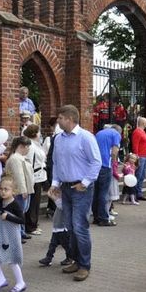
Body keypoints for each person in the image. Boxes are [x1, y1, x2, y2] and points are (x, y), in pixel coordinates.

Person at [48, 104, 101, 282]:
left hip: (81, 189)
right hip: (65, 187)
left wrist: (84, 183)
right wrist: (55, 183)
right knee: (70, 227)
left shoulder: (86, 137)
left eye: (60, 118)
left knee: (80, 227)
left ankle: (85, 265)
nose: (58, 120)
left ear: (69, 119)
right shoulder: (58, 139)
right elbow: (56, 163)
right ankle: (77, 261)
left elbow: (96, 162)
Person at [0, 175, 27, 292]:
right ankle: (1, 279)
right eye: (1, 189)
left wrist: (8, 217)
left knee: (12, 261)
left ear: (13, 191)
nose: (3, 192)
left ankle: (21, 282)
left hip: (12, 238)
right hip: (1, 237)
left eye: (6, 189)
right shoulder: (0, 202)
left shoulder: (15, 205)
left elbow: (22, 220)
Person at [4, 136, 35, 240]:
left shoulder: (18, 158)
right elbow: (19, 176)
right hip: (19, 191)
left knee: (21, 212)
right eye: (28, 147)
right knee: (18, 212)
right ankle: (16, 234)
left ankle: (20, 232)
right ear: (22, 146)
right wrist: (23, 190)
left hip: (22, 190)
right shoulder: (15, 159)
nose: (28, 149)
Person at [92, 124, 121, 227]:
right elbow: (114, 151)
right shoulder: (116, 134)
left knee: (95, 193)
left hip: (95, 166)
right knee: (103, 193)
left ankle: (96, 217)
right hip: (105, 165)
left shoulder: (99, 133)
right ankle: (103, 218)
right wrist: (114, 163)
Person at [23, 124, 47, 235]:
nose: (40, 134)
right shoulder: (31, 146)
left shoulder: (36, 145)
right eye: (39, 132)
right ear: (34, 133)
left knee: (35, 202)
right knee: (33, 203)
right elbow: (29, 163)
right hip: (34, 177)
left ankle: (34, 223)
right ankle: (30, 226)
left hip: (40, 175)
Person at [39, 189, 72, 267]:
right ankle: (48, 258)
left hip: (63, 229)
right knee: (52, 245)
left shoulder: (64, 203)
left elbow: (60, 205)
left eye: (58, 193)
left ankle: (70, 257)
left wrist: (53, 197)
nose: (56, 194)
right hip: (57, 228)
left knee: (66, 245)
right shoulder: (60, 202)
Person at [131, 116, 146, 201]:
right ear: (143, 123)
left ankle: (139, 192)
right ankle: (134, 194)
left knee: (142, 175)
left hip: (145, 156)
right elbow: (135, 145)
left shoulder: (143, 132)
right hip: (140, 156)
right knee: (138, 175)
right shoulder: (137, 132)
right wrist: (136, 156)